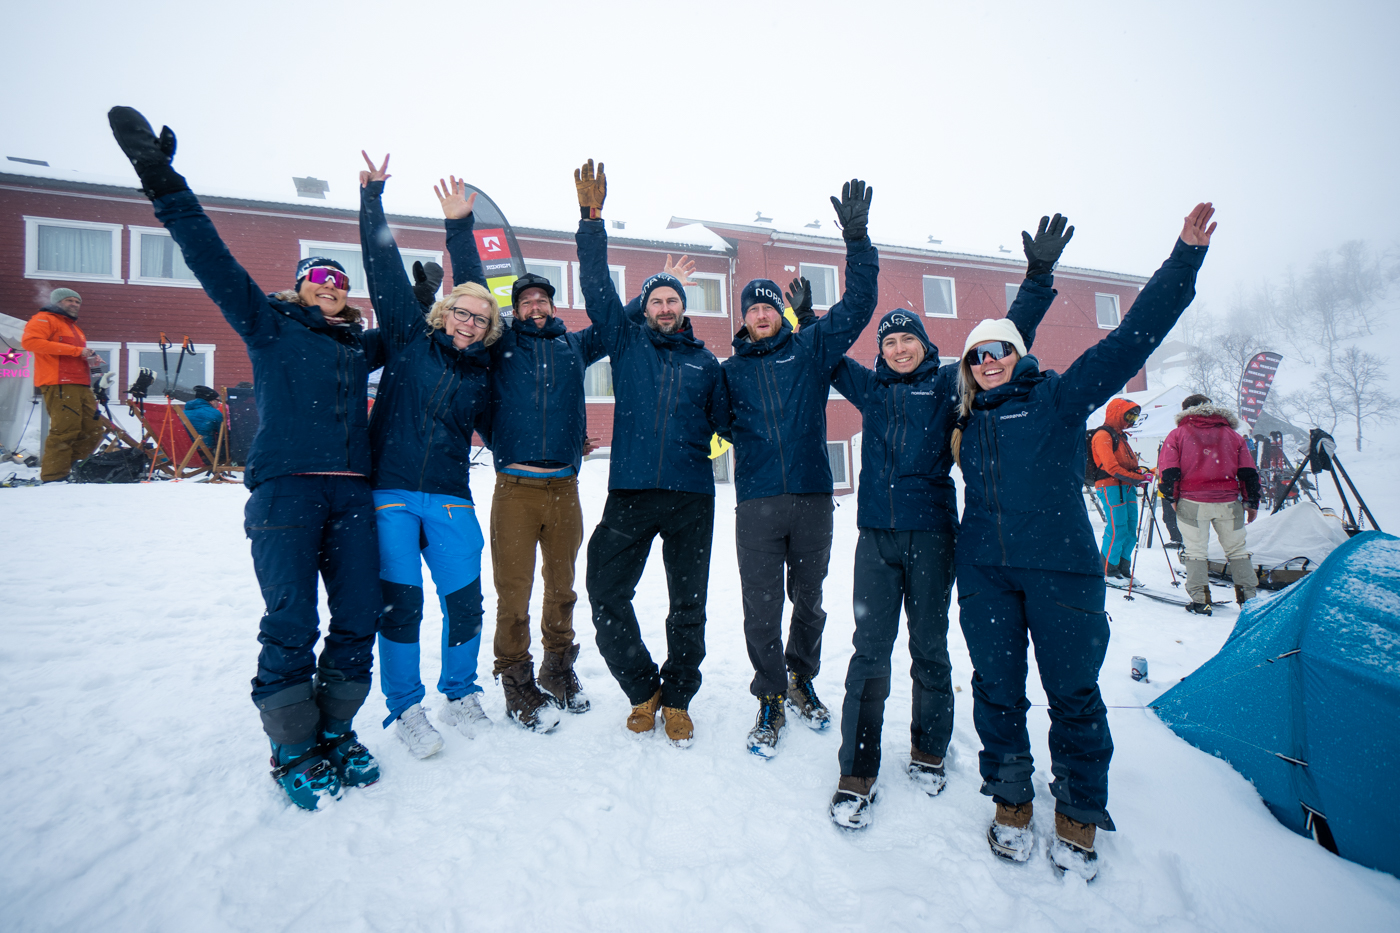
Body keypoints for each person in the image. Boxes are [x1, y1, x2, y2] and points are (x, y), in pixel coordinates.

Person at [109, 107, 381, 810]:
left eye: (339, 282)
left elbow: (419, 334)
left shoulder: (359, 345)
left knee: (357, 615)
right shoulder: (268, 323)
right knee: (292, 619)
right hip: (286, 492)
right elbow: (210, 256)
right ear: (299, 286)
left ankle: (339, 728)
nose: (330, 287)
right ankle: (292, 740)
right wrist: (164, 184)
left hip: (353, 494)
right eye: (319, 278)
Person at [950, 202, 1216, 880]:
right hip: (985, 573)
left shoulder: (1059, 398)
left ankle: (1078, 805)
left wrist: (1183, 258)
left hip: (1062, 573)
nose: (987, 361)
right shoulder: (962, 415)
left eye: (998, 350)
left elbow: (1133, 339)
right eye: (976, 354)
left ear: (1018, 355)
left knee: (1072, 693)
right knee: (997, 689)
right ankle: (1010, 795)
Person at [827, 214, 1071, 829]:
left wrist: (1037, 277)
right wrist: (811, 307)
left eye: (907, 338)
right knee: (869, 654)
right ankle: (856, 772)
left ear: (925, 346)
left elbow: (1008, 337)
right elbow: (824, 347)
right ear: (879, 351)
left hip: (934, 537)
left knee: (930, 649)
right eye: (888, 341)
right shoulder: (870, 389)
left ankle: (930, 749)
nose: (898, 347)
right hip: (876, 540)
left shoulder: (945, 387)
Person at [441, 178, 610, 733]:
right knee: (513, 592)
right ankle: (517, 682)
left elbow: (617, 314)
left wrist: (593, 225)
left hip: (564, 488)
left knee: (562, 588)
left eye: (542, 299)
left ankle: (559, 671)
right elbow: (471, 284)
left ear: (553, 305)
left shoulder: (575, 345)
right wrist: (460, 226)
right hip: (513, 488)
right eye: (525, 300)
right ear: (515, 308)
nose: (534, 305)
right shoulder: (501, 344)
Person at [722, 179, 879, 759]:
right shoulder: (729, 372)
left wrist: (857, 240)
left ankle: (799, 677)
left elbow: (860, 305)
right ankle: (768, 695)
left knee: (809, 600)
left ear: (781, 313)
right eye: (752, 308)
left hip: (813, 498)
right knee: (760, 605)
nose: (761, 314)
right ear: (745, 318)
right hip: (757, 504)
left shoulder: (811, 348)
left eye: (769, 306)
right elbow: (703, 424)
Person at [574, 159, 729, 748]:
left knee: (688, 604)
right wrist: (592, 221)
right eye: (656, 301)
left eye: (673, 301)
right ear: (646, 309)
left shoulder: (706, 364)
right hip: (632, 492)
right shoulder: (625, 344)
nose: (664, 308)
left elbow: (728, 423)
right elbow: (595, 289)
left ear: (684, 309)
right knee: (606, 591)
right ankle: (644, 689)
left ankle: (680, 697)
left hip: (691, 496)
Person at [358, 154, 502, 757]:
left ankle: (461, 690)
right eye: (460, 312)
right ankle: (406, 708)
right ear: (442, 313)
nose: (469, 322)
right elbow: (386, 270)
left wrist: (460, 231)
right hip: (388, 492)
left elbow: (479, 288)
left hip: (448, 495)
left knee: (465, 599)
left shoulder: (484, 369)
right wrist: (373, 200)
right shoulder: (407, 337)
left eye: (480, 318)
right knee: (401, 606)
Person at [1158, 392, 1262, 613]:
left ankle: (1200, 600)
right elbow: (1248, 471)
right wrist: (1251, 501)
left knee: (1195, 551)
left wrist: (1172, 498)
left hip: (1192, 501)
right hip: (1229, 502)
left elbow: (1169, 472)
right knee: (1237, 550)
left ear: (1185, 410)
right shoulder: (1233, 436)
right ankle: (1248, 599)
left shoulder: (1177, 434)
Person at [22, 287, 105, 482]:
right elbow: (30, 342)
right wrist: (76, 351)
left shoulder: (74, 327)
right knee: (65, 430)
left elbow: (71, 353)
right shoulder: (44, 319)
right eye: (69, 300)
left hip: (81, 384)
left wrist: (90, 359)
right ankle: (54, 477)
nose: (74, 305)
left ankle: (74, 469)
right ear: (57, 302)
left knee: (93, 429)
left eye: (77, 302)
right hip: (59, 382)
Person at [1089, 399, 1153, 578]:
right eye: (1128, 415)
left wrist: (1141, 474)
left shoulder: (1121, 436)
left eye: (1134, 416)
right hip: (1110, 486)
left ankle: (1123, 568)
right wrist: (1139, 477)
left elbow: (1128, 464)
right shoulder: (1103, 435)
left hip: (1126, 486)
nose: (1131, 420)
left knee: (1131, 528)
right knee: (1118, 528)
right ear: (1117, 413)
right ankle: (1109, 569)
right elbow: (1111, 467)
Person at [184, 385, 224, 453]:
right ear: (211, 401)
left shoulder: (183, 412)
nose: (219, 403)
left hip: (184, 450)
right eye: (218, 400)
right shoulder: (214, 413)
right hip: (203, 451)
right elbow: (223, 433)